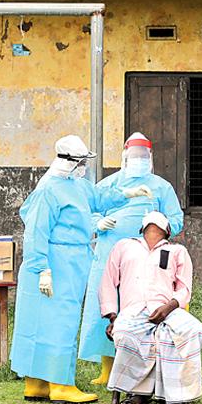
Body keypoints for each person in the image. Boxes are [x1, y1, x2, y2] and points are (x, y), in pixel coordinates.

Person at [10, 135, 152, 404]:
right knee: (56, 323)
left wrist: (127, 193)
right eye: (82, 162)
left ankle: (38, 384)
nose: (84, 167)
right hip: (52, 263)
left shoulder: (75, 185)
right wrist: (43, 268)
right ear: (70, 162)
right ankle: (60, 384)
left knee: (49, 322)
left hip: (70, 263)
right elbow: (36, 232)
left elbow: (98, 197)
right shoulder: (48, 190)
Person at [79, 133, 183, 386]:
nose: (138, 161)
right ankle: (107, 368)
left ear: (150, 159)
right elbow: (87, 211)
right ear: (124, 158)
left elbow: (176, 219)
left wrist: (158, 226)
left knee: (142, 307)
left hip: (145, 258)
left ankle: (142, 369)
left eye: (142, 157)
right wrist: (98, 223)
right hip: (108, 253)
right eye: (133, 156)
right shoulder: (109, 184)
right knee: (106, 306)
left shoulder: (161, 187)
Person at [100, 211, 202, 404]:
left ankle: (177, 394)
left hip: (167, 310)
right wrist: (112, 317)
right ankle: (139, 393)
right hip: (133, 312)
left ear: (167, 231)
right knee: (125, 334)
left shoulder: (177, 251)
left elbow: (184, 288)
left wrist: (168, 307)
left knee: (194, 331)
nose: (154, 224)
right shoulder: (124, 246)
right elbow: (108, 282)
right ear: (142, 228)